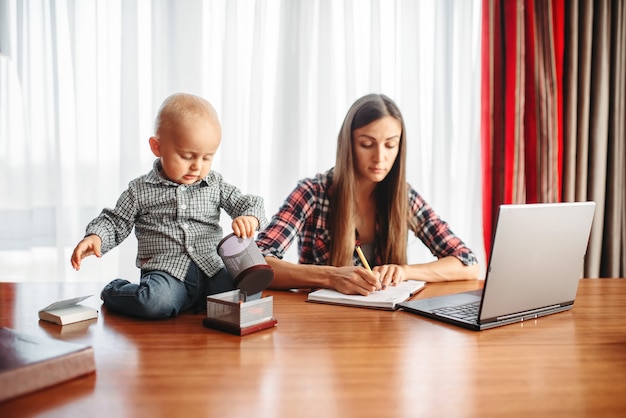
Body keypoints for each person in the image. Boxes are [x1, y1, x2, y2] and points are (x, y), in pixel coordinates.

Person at [256, 93, 479, 295]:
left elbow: (468, 264)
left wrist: (405, 272)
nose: (379, 157)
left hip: (387, 328)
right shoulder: (313, 193)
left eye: (390, 145)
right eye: (367, 144)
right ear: (349, 144)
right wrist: (331, 276)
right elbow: (256, 264)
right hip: (323, 326)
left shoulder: (403, 197)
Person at [71, 92, 268, 319]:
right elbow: (116, 221)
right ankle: (114, 290)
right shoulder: (140, 190)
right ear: (157, 147)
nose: (197, 166)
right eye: (187, 156)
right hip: (167, 273)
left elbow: (251, 203)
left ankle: (195, 302)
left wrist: (250, 217)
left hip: (211, 271)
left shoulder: (215, 184)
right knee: (154, 302)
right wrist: (96, 236)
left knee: (248, 291)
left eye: (206, 158)